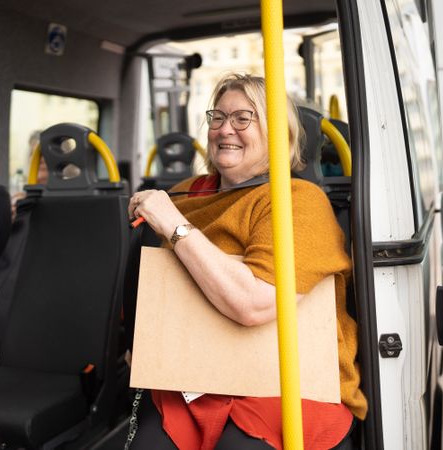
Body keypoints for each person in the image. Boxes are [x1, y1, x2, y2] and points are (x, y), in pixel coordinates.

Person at [127, 73, 367, 450]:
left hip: (285, 383)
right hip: (192, 375)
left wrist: (174, 224)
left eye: (243, 118)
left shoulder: (298, 200)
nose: (225, 130)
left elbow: (254, 304)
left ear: (277, 132)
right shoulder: (181, 195)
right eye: (218, 118)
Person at [11, 130, 48, 219]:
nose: (40, 160)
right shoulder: (20, 192)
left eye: (43, 155)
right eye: (33, 154)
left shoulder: (70, 194)